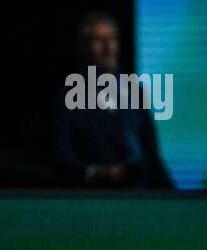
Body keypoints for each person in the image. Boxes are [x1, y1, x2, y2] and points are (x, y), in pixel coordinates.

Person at [52, 12, 174, 189]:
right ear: (85, 48)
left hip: (143, 197)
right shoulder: (68, 98)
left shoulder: (135, 93)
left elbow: (152, 156)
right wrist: (99, 173)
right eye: (99, 40)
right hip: (101, 200)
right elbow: (63, 158)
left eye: (112, 39)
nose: (108, 47)